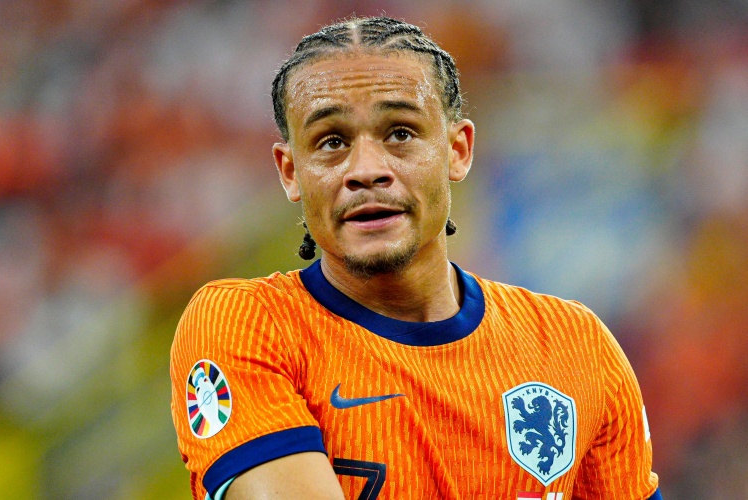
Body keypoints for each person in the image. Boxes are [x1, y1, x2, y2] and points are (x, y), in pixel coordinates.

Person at [170, 16, 661, 500]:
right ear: (290, 171)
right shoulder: (247, 325)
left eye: (400, 133)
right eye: (332, 142)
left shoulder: (578, 346)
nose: (366, 170)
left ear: (457, 150)